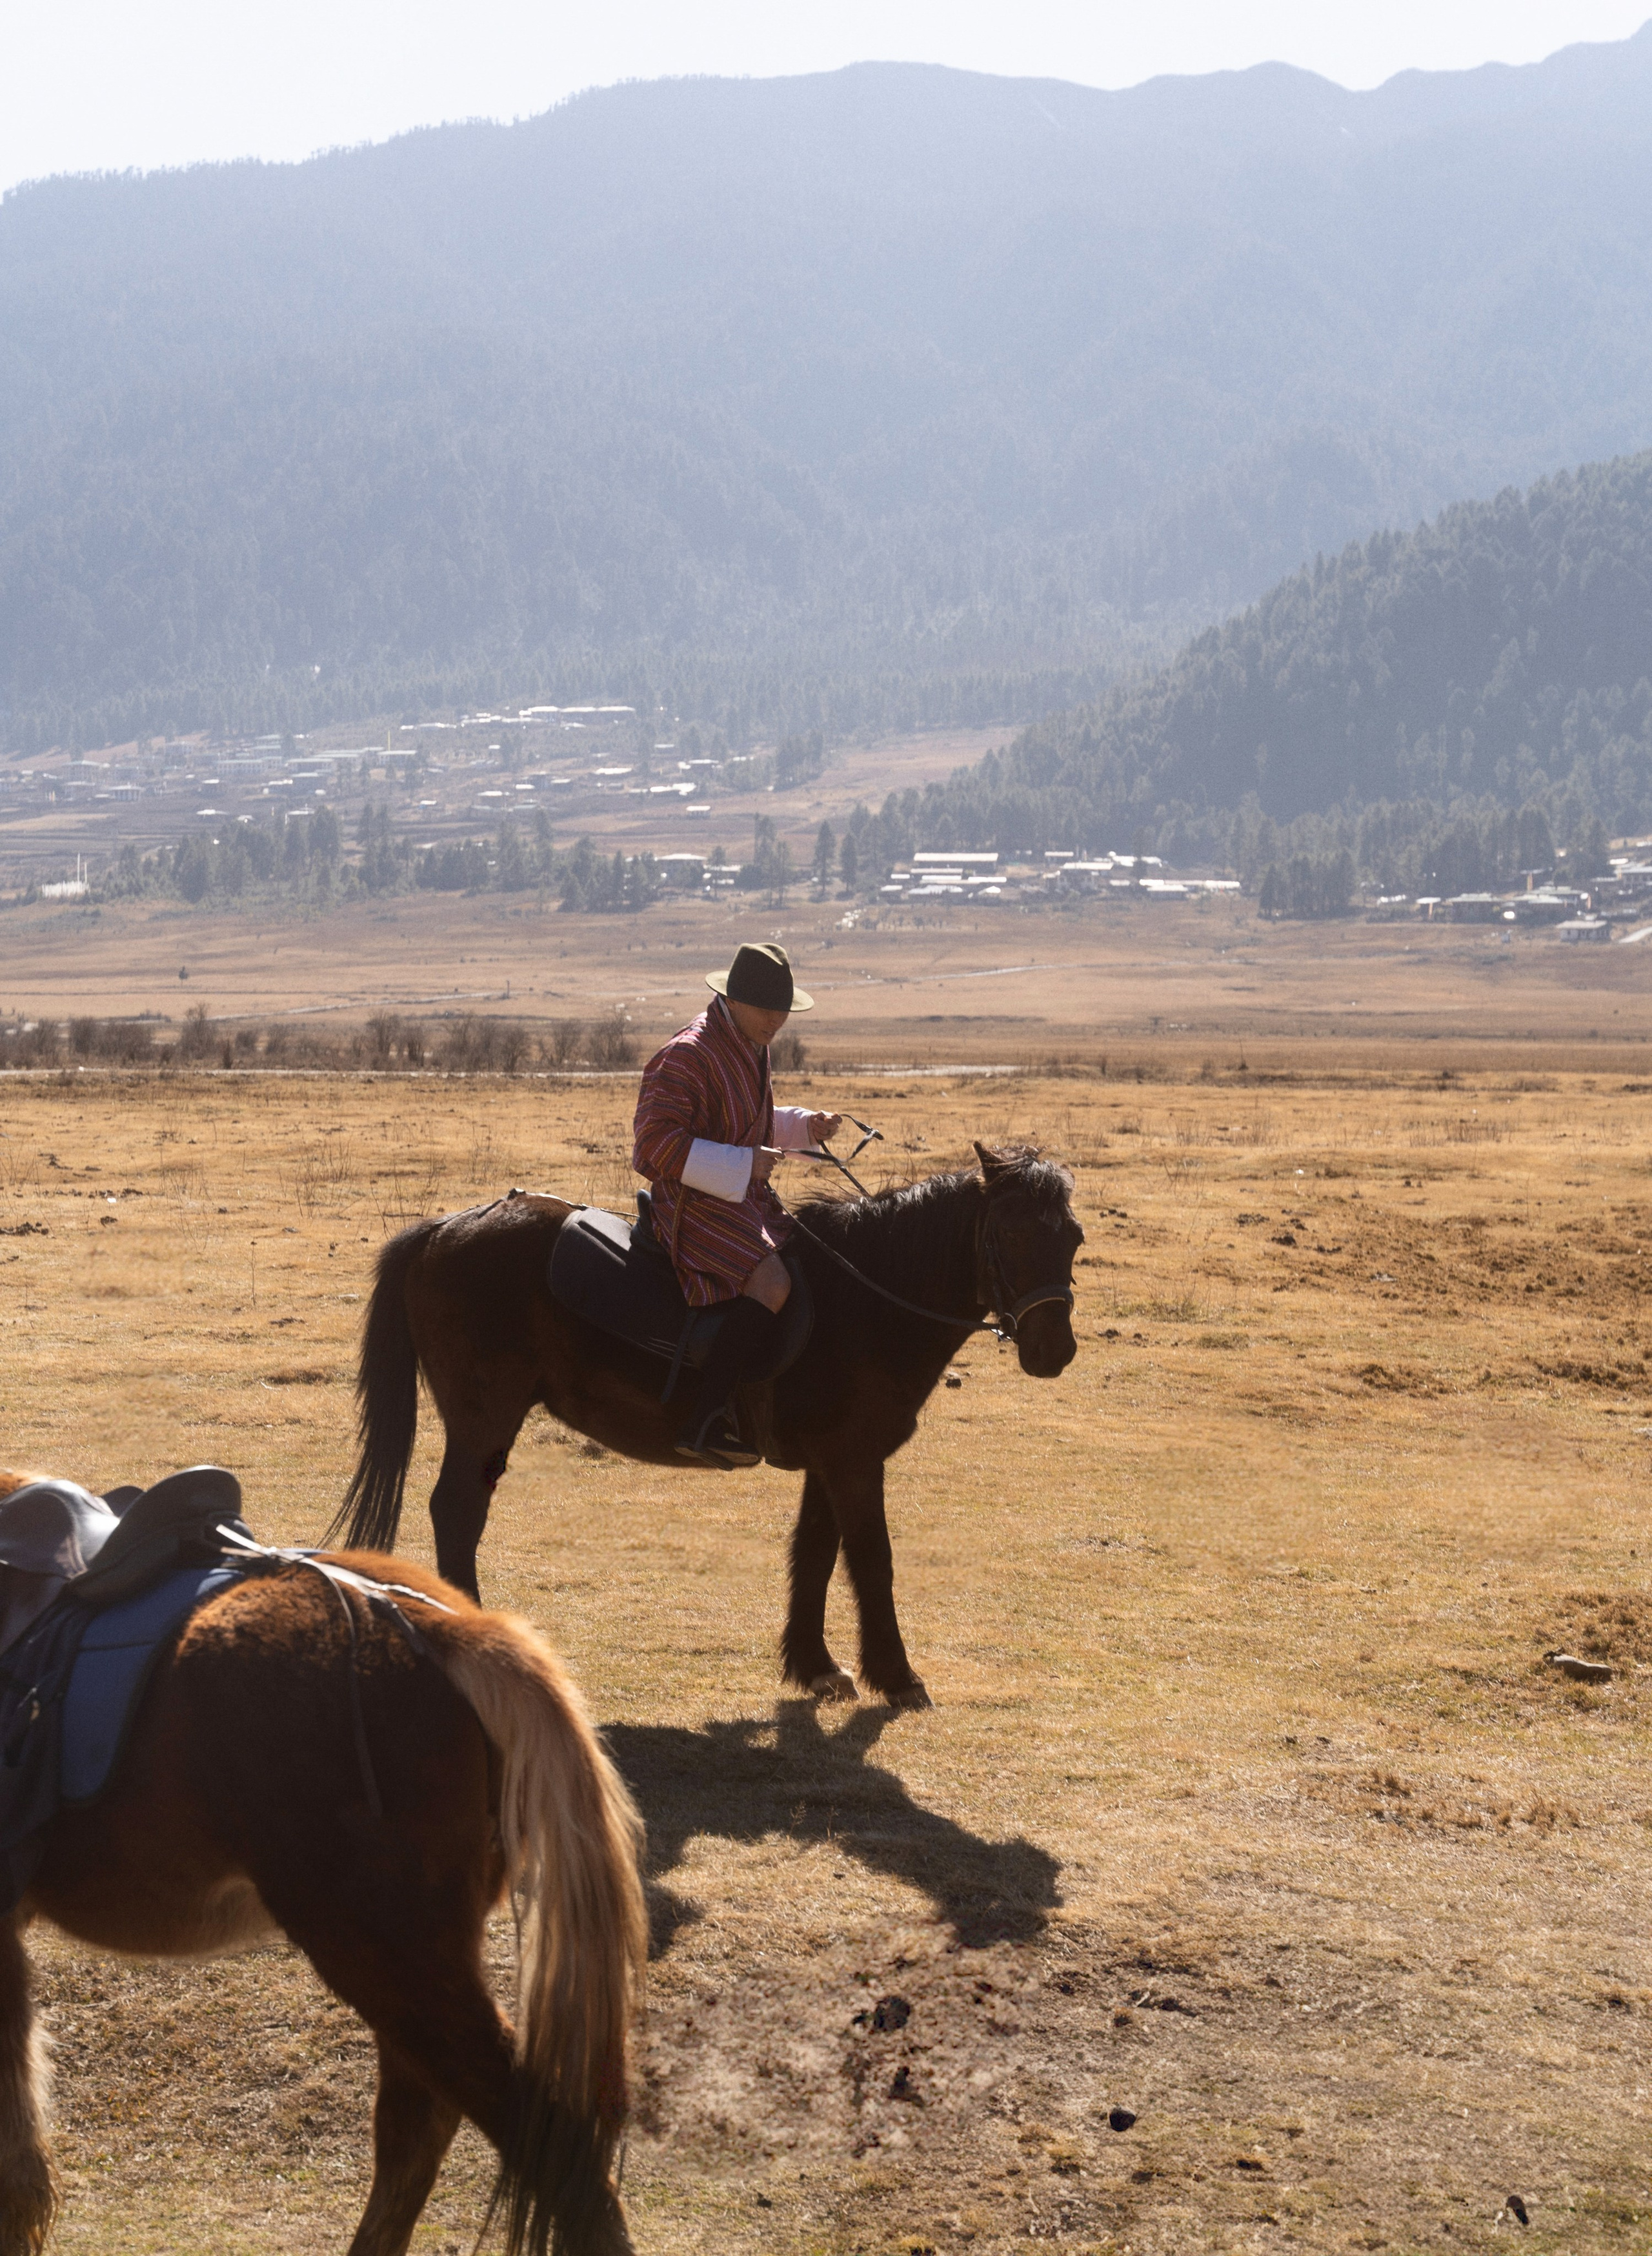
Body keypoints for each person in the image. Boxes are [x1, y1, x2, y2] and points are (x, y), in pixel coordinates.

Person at [632, 942, 841, 1467]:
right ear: (734, 999)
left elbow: (747, 1123)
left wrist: (804, 1127)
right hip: (692, 1207)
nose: (778, 1021)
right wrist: (745, 1165)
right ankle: (705, 1417)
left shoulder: (748, 1042)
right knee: (771, 1282)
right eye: (769, 1010)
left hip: (741, 1198)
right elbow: (653, 1148)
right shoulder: (686, 1055)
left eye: (784, 1011)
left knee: (815, 1257)